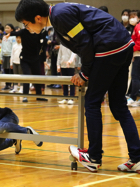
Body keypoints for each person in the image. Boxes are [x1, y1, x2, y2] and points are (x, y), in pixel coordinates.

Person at [15, 0, 140, 173]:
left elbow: (85, 42)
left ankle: (94, 157)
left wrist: (85, 73)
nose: (26, 28)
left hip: (109, 48)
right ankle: (137, 158)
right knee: (119, 106)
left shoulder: (59, 15)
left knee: (92, 102)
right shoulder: (58, 15)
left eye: (26, 24)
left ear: (37, 17)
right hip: (122, 46)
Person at [127, 12, 140, 107]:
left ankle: (133, 98)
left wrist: (132, 50)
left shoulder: (138, 27)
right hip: (136, 54)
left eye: (134, 17)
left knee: (135, 77)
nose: (132, 19)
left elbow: (138, 42)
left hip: (138, 55)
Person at [0, 24, 16, 90]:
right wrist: (1, 57)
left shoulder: (13, 37)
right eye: (5, 28)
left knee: (11, 71)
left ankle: (12, 85)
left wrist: (12, 58)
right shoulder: (4, 37)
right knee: (6, 71)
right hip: (4, 56)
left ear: (12, 29)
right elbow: (2, 46)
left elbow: (13, 48)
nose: (6, 29)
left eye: (8, 28)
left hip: (10, 56)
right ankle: (7, 85)